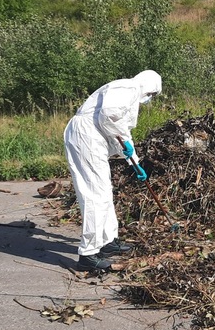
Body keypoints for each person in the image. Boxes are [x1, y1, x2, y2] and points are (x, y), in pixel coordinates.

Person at [63, 70, 162, 271]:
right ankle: (88, 254)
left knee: (104, 191)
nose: (149, 98)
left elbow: (119, 127)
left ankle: (108, 242)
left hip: (93, 138)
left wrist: (134, 162)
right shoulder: (129, 87)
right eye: (152, 94)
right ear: (149, 85)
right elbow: (108, 118)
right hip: (86, 137)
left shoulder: (130, 93)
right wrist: (125, 142)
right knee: (94, 195)